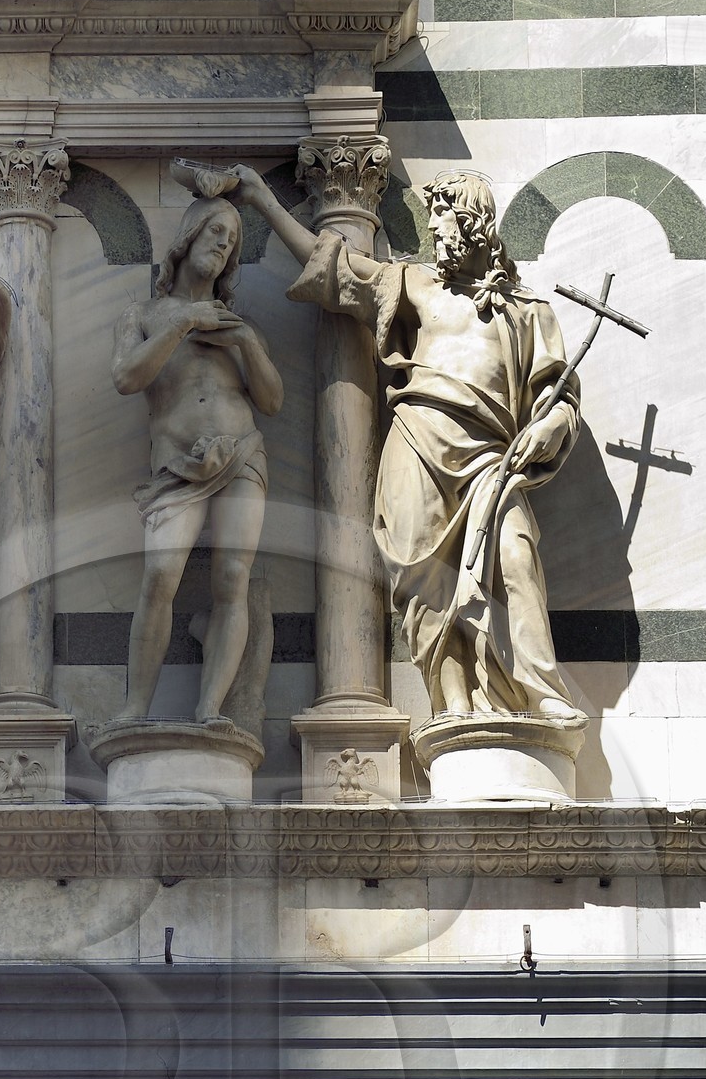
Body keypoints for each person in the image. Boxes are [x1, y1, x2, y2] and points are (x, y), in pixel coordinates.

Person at [231, 164, 585, 731]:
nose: (435, 231)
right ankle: (454, 708)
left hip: (491, 458)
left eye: (442, 217)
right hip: (417, 445)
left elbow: (557, 394)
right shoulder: (414, 285)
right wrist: (263, 199)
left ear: (473, 224)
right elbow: (335, 267)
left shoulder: (525, 310)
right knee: (425, 582)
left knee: (516, 558)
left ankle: (540, 691)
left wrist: (553, 425)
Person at [108, 184, 283, 729]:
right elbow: (126, 378)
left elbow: (272, 400)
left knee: (233, 578)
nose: (223, 246)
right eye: (215, 232)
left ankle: (210, 707)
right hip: (176, 466)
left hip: (242, 454)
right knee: (160, 575)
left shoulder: (237, 323)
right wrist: (183, 323)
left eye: (232, 241)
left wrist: (246, 342)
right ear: (187, 237)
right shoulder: (144, 313)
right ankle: (136, 708)